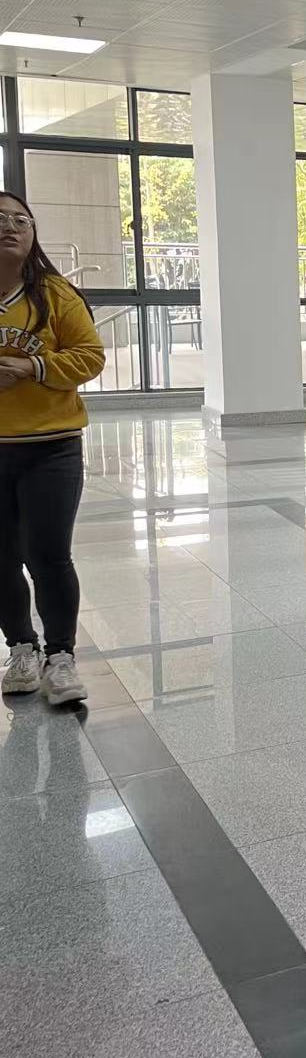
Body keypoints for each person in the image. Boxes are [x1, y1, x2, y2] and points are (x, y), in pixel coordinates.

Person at [0, 191, 106, 707]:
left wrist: (32, 367)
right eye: (0, 219)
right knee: (2, 557)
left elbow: (90, 357)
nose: (11, 226)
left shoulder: (55, 294)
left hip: (52, 447)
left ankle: (60, 656)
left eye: (21, 220)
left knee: (48, 555)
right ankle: (21, 649)